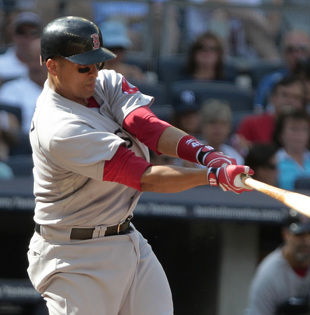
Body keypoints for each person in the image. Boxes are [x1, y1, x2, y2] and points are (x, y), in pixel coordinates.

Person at [27, 16, 253, 314]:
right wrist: (211, 176)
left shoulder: (102, 83)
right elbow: (143, 177)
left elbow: (148, 127)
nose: (94, 73)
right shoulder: (58, 127)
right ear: (52, 66)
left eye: (98, 63)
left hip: (125, 239)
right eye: (84, 66)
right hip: (74, 256)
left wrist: (206, 154)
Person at [235, 75, 310, 154]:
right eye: (285, 95)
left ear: (303, 103)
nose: (290, 101)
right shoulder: (251, 123)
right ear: (273, 98)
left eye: (296, 97)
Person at [0, 37, 46, 134]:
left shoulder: (67, 89)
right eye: (31, 59)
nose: (34, 66)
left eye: (40, 60)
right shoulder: (11, 89)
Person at [273, 110, 310, 190]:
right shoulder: (273, 161)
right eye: (294, 129)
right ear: (280, 134)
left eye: (304, 129)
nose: (300, 134)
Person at [0, 11, 42, 82]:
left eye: (33, 32)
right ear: (13, 35)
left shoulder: (49, 67)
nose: (27, 37)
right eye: (21, 32)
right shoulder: (1, 64)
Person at [199, 99, 244, 164]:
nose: (218, 127)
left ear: (229, 128)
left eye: (223, 123)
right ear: (202, 126)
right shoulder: (190, 152)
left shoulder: (236, 157)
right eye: (212, 122)